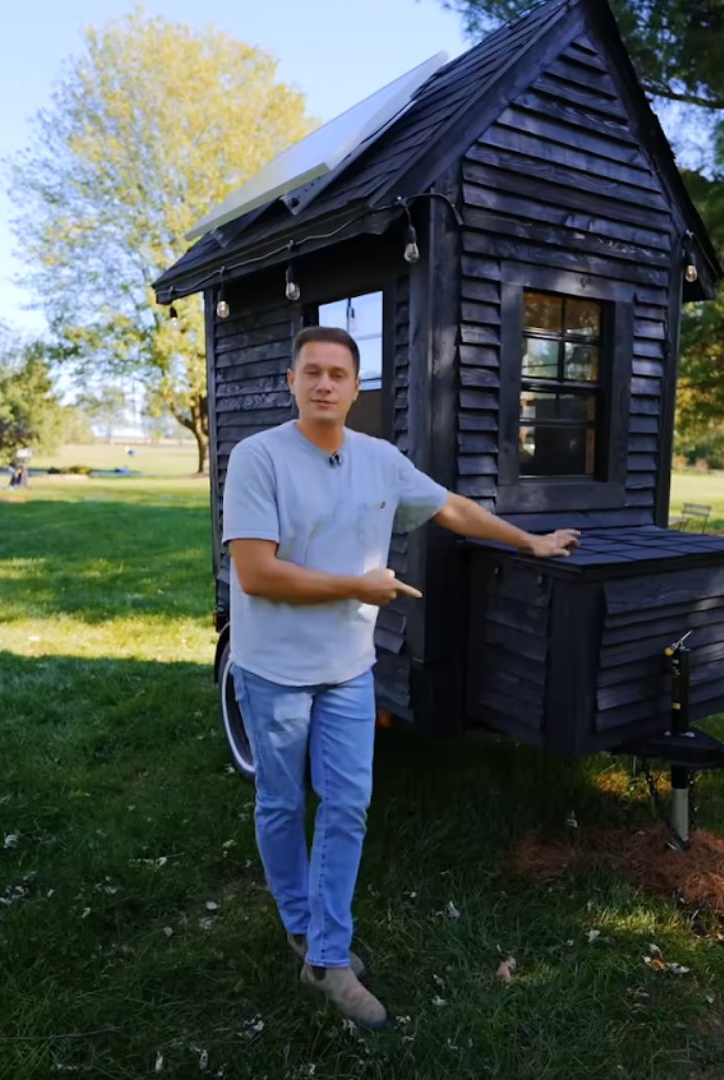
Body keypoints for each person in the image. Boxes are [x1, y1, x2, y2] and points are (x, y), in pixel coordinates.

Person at [222, 325, 579, 1029]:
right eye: (312, 372)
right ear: (291, 382)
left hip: (349, 670)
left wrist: (529, 539)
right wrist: (359, 587)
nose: (324, 384)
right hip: (274, 670)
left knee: (349, 806)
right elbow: (257, 573)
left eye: (338, 374)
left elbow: (453, 508)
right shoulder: (257, 458)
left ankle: (326, 955)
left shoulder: (381, 460)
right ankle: (302, 926)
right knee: (281, 804)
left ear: (358, 389)